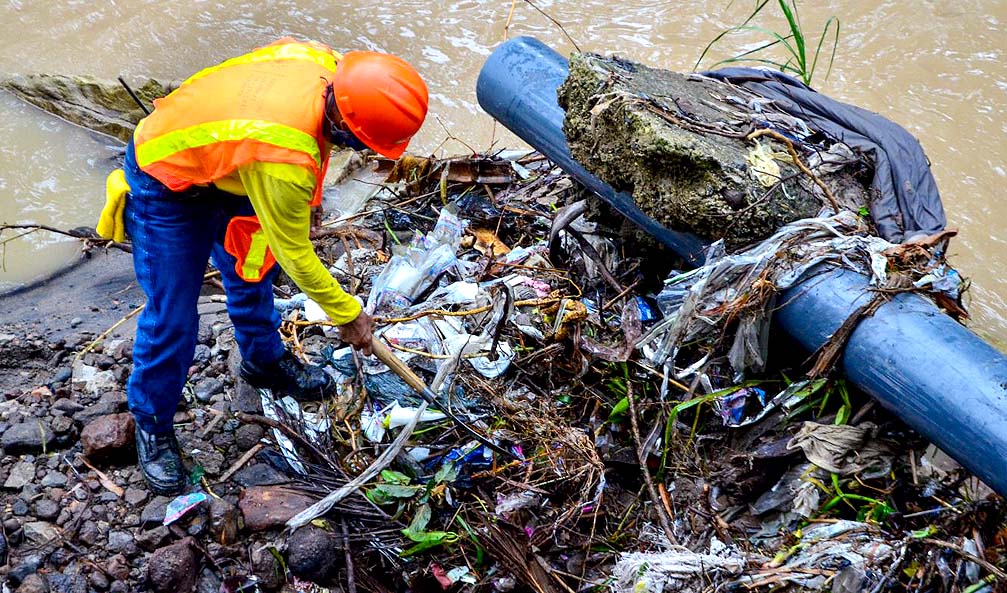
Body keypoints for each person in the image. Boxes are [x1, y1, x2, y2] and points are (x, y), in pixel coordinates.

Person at [98, 37, 429, 494]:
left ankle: (263, 360)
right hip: (166, 175)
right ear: (346, 125)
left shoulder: (323, 64)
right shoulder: (284, 156)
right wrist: (349, 315)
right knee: (172, 314)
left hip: (232, 162)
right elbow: (297, 253)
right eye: (362, 144)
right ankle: (152, 423)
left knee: (252, 265)